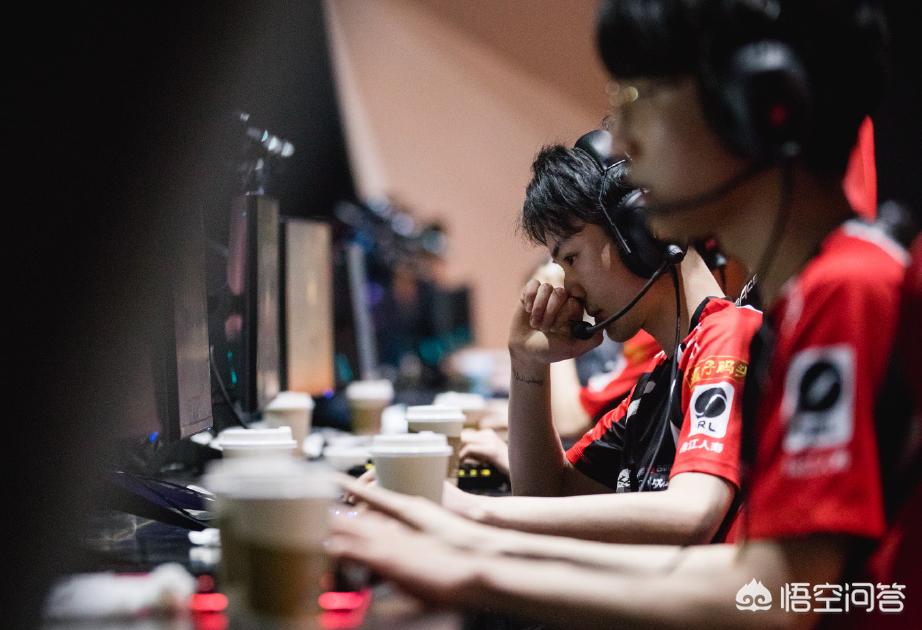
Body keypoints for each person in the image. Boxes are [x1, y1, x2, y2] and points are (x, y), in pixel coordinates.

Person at [331, 1, 915, 627]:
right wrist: (471, 543)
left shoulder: (847, 288)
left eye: (646, 99)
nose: (628, 142)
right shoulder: (795, 307)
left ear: (756, 106)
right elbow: (742, 570)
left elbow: (776, 595)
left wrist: (474, 550)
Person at [437, 138, 762, 546]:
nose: (568, 287)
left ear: (643, 231)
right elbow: (545, 493)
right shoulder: (658, 385)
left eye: (571, 258)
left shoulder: (729, 334)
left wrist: (470, 510)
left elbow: (693, 513)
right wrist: (527, 365)